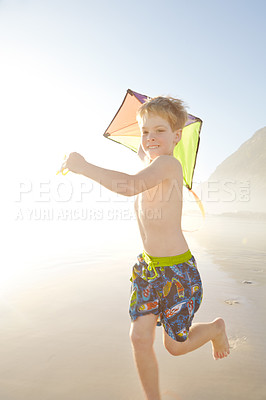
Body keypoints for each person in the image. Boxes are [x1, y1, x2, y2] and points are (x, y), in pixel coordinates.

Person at [60, 96, 230, 400]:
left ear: (177, 136)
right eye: (145, 131)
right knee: (139, 337)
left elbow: (128, 186)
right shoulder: (150, 159)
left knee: (174, 347)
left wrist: (83, 166)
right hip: (148, 268)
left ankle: (216, 328)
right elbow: (143, 151)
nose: (150, 138)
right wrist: (148, 114)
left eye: (160, 131)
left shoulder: (168, 164)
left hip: (178, 272)